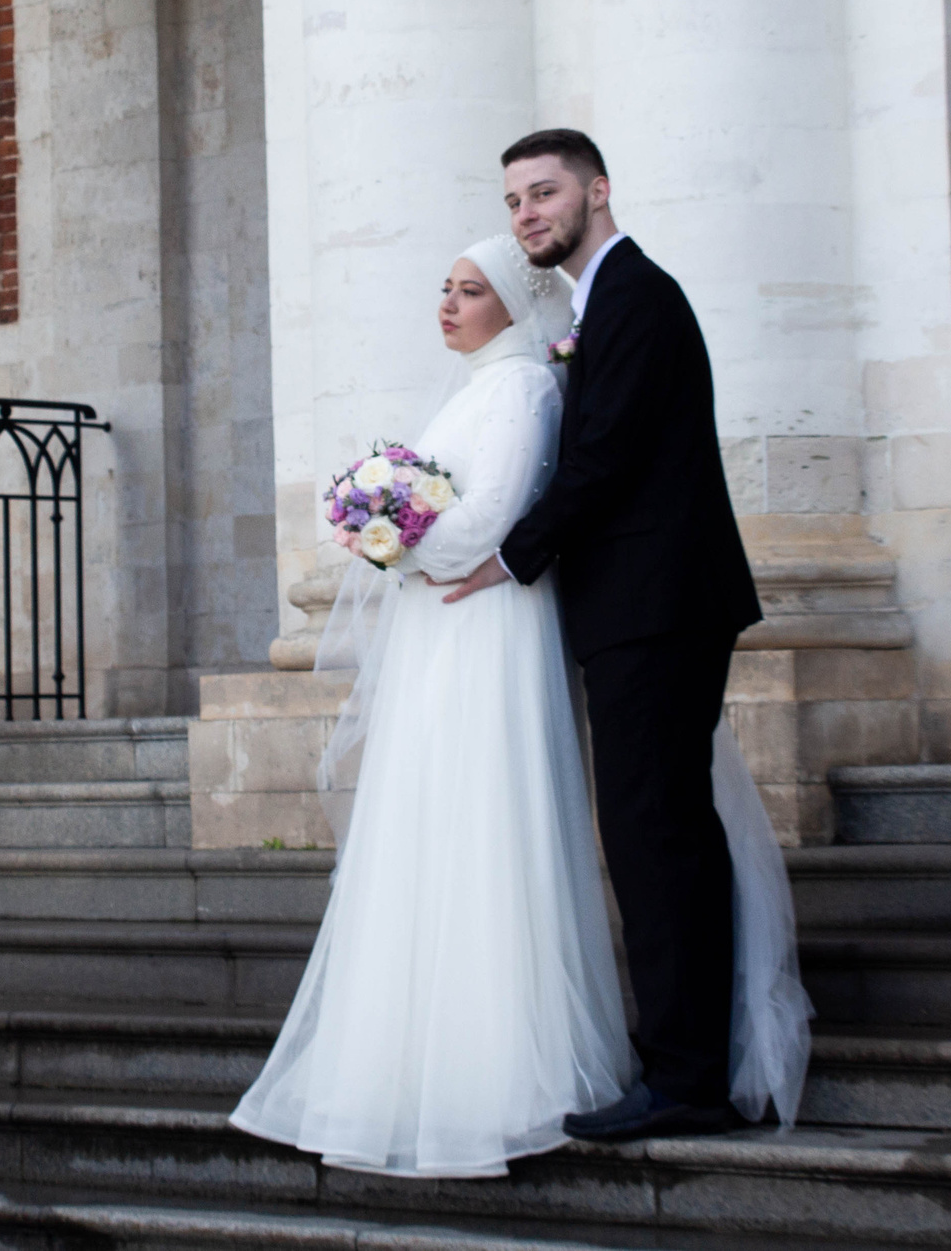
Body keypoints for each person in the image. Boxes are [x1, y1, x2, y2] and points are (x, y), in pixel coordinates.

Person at [228, 233, 634, 1177]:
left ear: (512, 302)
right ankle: (405, 1064)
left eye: (468, 290)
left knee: (484, 816)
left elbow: (494, 516)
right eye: (443, 289)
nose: (447, 305)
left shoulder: (528, 386)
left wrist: (397, 542)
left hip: (488, 623)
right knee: (424, 823)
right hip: (441, 626)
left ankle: (501, 1074)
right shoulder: (471, 388)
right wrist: (384, 531)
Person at [440, 126, 803, 1142]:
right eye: (515, 201)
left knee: (654, 838)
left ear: (597, 191)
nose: (527, 216)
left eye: (544, 193)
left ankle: (685, 1080)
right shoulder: (601, 302)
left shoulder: (638, 295)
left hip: (658, 606)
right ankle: (688, 1064)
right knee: (656, 834)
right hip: (642, 608)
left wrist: (509, 555)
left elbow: (603, 460)